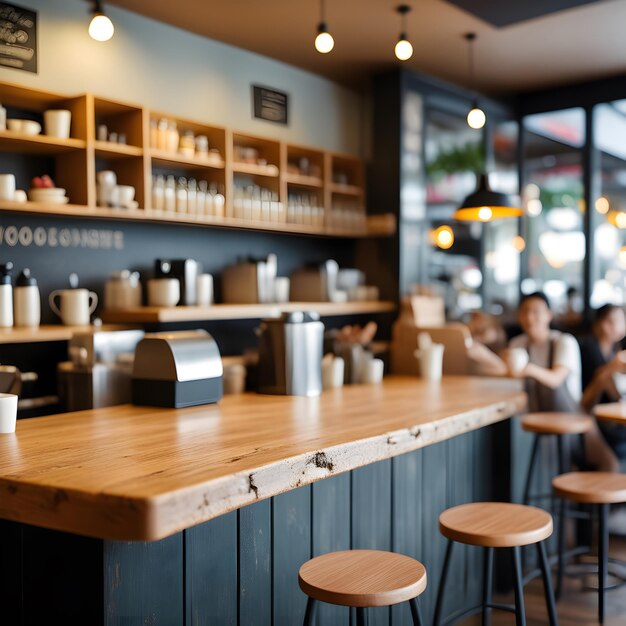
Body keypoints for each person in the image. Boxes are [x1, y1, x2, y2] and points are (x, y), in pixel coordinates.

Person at [471, 292, 618, 471]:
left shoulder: (563, 342)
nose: (530, 317)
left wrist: (527, 369)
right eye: (525, 311)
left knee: (609, 464)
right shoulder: (518, 344)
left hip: (575, 420)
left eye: (536, 311)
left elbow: (556, 379)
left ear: (549, 315)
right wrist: (481, 355)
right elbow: (508, 373)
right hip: (538, 423)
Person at [580, 304, 626, 459]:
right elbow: (587, 401)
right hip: (593, 422)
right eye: (614, 321)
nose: (620, 325)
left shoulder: (613, 351)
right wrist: (612, 367)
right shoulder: (589, 349)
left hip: (609, 421)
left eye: (621, 320)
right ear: (600, 324)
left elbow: (617, 397)